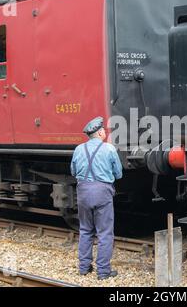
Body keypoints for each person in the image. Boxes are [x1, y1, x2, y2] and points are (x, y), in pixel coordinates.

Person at [71, 116, 123, 280]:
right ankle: (103, 272)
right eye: (104, 131)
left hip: (83, 192)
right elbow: (119, 174)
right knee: (105, 233)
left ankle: (84, 268)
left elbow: (73, 172)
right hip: (102, 192)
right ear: (100, 133)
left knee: (85, 230)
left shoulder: (79, 149)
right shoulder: (109, 149)